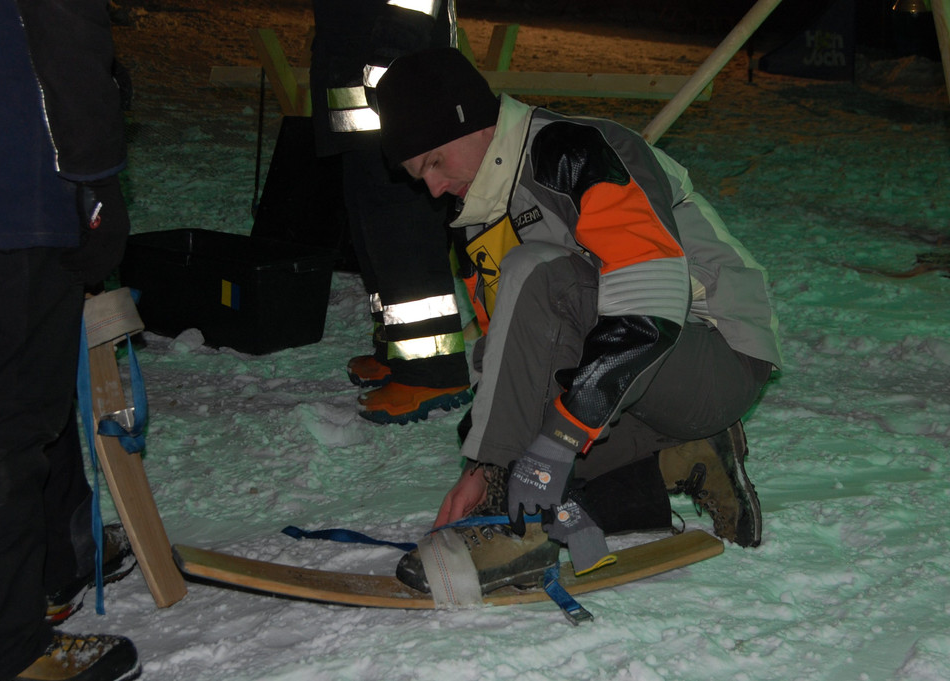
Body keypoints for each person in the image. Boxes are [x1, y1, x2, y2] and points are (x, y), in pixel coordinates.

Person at [372, 47, 782, 592]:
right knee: (530, 460)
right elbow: (510, 356)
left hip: (714, 359)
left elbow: (650, 305)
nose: (433, 188)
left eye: (434, 162)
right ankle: (690, 455)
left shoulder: (576, 151)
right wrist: (486, 467)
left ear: (472, 122)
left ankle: (520, 534)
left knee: (540, 278)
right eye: (417, 175)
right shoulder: (479, 219)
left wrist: (555, 442)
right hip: (643, 388)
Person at [0, 1, 141, 680]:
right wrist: (96, 180)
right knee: (11, 416)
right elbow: (64, 31)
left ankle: (56, 563)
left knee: (28, 394)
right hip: (19, 169)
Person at [310, 0, 472, 425]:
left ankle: (433, 372)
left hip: (395, 103)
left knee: (404, 239)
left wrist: (387, 75)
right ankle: (397, 351)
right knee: (376, 242)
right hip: (365, 113)